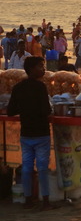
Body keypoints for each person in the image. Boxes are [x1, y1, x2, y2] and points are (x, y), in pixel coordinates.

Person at [7, 57, 56, 211]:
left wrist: (25, 109)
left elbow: (11, 111)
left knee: (27, 168)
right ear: (32, 69)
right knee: (42, 168)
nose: (43, 69)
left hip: (26, 134)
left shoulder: (18, 87)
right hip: (41, 134)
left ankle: (28, 200)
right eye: (40, 66)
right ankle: (45, 201)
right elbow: (46, 110)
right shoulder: (40, 87)